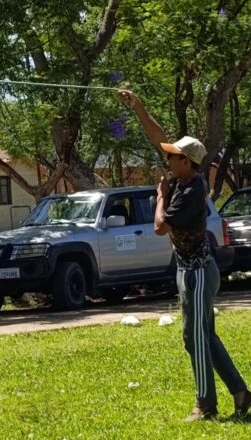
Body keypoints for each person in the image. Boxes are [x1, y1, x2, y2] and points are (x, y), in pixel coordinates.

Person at [120, 89, 251, 421]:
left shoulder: (189, 192)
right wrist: (138, 105)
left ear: (186, 162)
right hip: (190, 269)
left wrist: (160, 197)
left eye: (173, 156)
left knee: (194, 339)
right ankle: (241, 393)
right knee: (205, 336)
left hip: (198, 272)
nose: (167, 159)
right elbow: (158, 136)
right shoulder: (182, 178)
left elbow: (160, 227)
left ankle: (205, 405)